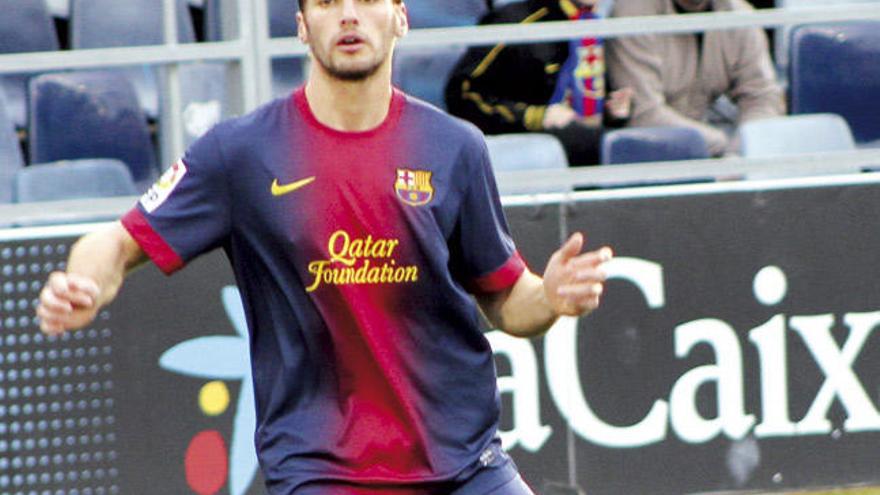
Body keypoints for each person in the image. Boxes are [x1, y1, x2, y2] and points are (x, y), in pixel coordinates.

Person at [36, 0, 613, 494]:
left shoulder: (455, 147)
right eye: (327, 3)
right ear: (302, 26)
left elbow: (509, 300)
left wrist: (552, 297)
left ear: (401, 18)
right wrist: (85, 282)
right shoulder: (240, 153)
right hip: (322, 470)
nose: (348, 15)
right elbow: (115, 242)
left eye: (365, 1)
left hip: (466, 464)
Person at [445, 0, 632, 166]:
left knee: (622, 146)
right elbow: (461, 92)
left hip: (582, 146)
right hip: (521, 144)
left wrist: (610, 109)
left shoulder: (595, 24)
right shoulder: (516, 20)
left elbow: (588, 98)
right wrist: (537, 117)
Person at [605, 0, 786, 157]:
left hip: (717, 149)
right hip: (651, 153)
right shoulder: (633, 12)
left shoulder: (738, 13)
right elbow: (644, 113)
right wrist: (722, 148)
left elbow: (763, 97)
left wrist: (741, 152)